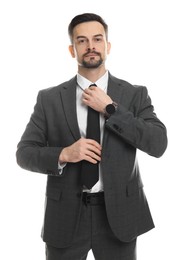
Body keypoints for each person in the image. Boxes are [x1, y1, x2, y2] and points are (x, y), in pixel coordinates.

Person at [16, 13, 168, 260]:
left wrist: (111, 109)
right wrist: (64, 154)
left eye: (97, 39)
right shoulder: (49, 99)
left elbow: (158, 144)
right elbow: (24, 154)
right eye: (82, 41)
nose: (91, 46)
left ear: (107, 46)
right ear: (72, 49)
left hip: (119, 217)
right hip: (65, 217)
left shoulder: (134, 94)